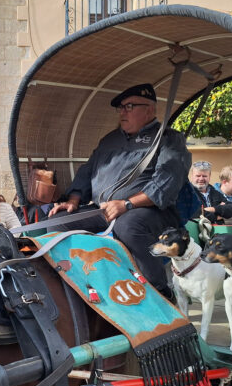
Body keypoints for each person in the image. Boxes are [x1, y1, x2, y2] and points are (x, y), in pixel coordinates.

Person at [48, 83, 191, 300]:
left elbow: (168, 180)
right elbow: (88, 171)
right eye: (121, 107)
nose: (122, 112)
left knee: (129, 226)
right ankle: (71, 288)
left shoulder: (169, 139)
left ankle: (160, 292)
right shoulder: (110, 140)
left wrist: (127, 204)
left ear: (149, 110)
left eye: (129, 106)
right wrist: (74, 199)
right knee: (56, 222)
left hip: (149, 210)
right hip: (102, 209)